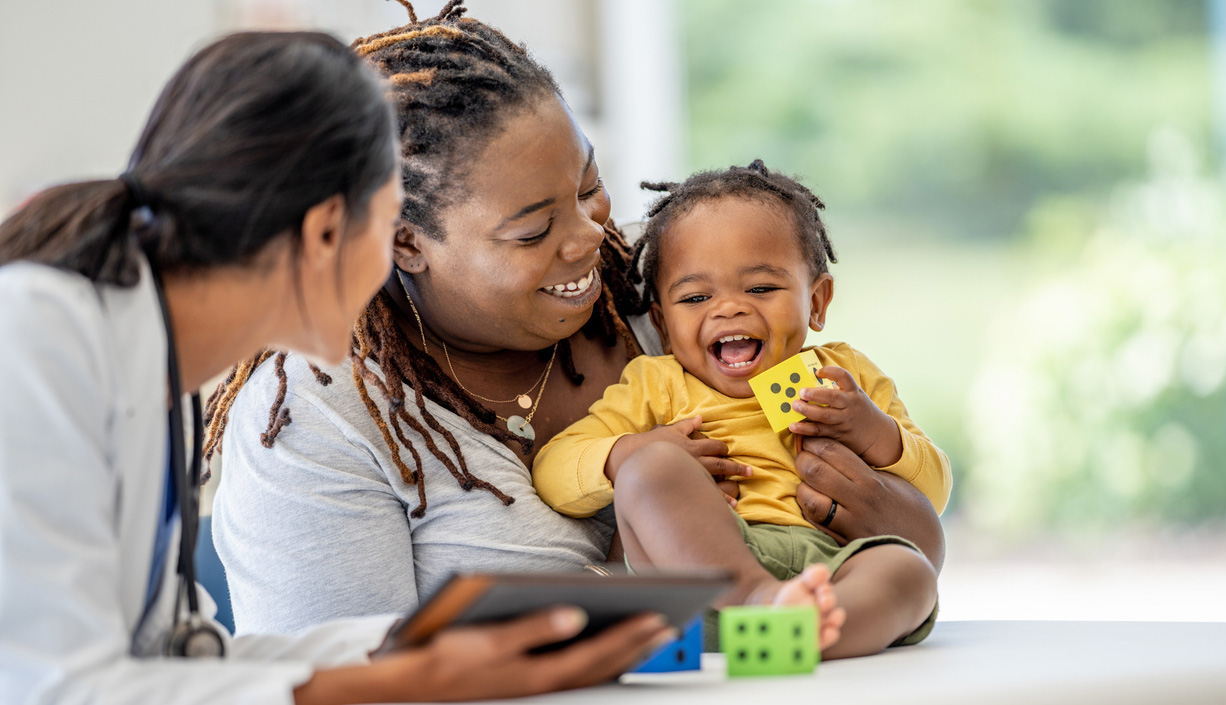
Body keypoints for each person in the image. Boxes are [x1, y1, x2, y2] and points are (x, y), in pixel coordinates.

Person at [208, 0, 946, 643]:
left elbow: (916, 545)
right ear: (405, 242)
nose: (591, 236)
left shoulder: (674, 293)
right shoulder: (318, 417)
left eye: (589, 185)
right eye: (533, 231)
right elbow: (338, 679)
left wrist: (879, 496)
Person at [0, 30, 672, 705]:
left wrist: (431, 648)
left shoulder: (151, 371)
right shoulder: (38, 340)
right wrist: (415, 678)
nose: (391, 275)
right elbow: (58, 687)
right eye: (388, 229)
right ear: (326, 232)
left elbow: (182, 656)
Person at [533, 159, 946, 658]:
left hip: (831, 572)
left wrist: (873, 432)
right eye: (696, 296)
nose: (727, 308)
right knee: (651, 469)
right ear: (663, 326)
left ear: (816, 302)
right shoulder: (658, 383)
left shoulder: (843, 375)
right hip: (701, 579)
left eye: (761, 288)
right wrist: (629, 454)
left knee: (909, 571)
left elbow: (934, 489)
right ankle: (761, 602)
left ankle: (806, 634)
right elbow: (554, 472)